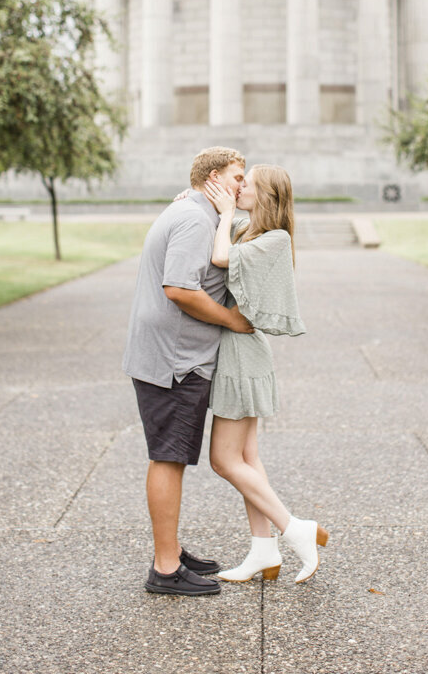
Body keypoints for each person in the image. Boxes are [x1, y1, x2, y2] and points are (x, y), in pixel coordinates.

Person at [122, 146, 254, 597]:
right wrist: (233, 319)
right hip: (174, 360)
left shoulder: (194, 210)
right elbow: (179, 288)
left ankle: (171, 551)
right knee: (168, 457)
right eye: (238, 177)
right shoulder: (195, 219)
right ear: (215, 177)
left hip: (172, 355)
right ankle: (165, 569)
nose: (243, 185)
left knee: (171, 456)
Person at [204, 165, 329, 584]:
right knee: (247, 458)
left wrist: (222, 215)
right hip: (239, 352)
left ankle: (295, 530)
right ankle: (263, 550)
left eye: (247, 185)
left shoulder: (274, 239)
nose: (238, 189)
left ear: (267, 197)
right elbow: (223, 230)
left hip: (243, 357)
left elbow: (220, 257)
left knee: (223, 460)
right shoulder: (249, 231)